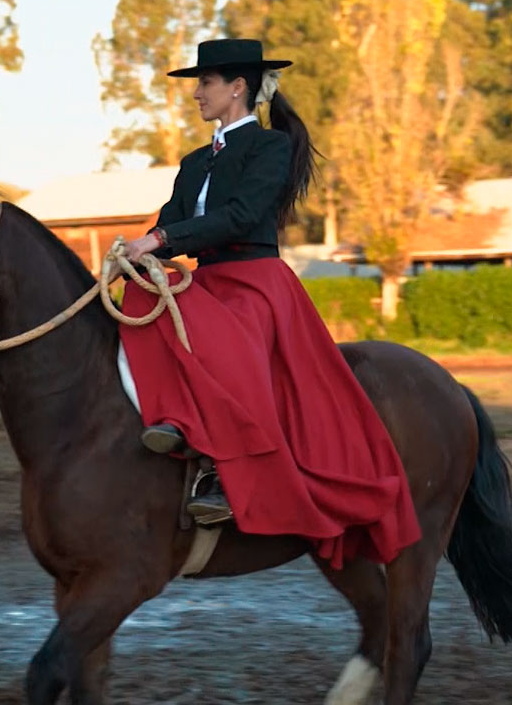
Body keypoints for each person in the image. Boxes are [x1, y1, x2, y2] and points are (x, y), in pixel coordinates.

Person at [118, 39, 420, 568]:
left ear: (237, 88)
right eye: (198, 83)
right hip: (205, 280)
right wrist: (138, 249)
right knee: (143, 293)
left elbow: (238, 215)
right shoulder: (193, 162)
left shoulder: (269, 149)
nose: (196, 94)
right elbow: (172, 216)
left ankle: (219, 472)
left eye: (205, 82)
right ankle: (168, 424)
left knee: (229, 350)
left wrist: (161, 239)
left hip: (256, 283)